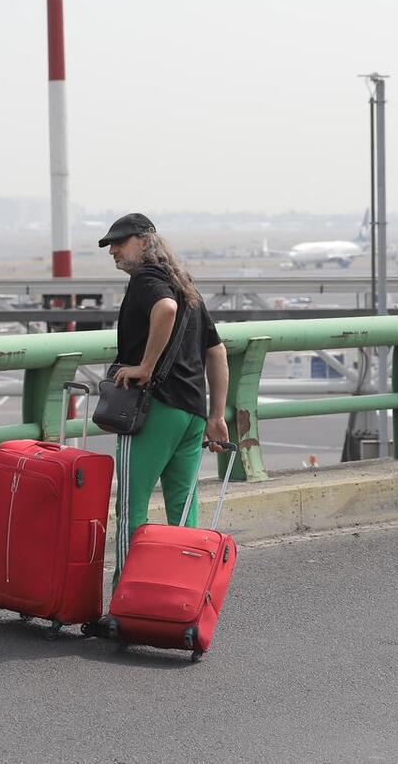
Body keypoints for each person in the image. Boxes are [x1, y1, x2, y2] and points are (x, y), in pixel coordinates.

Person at [98, 212, 230, 581]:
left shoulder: (147, 281)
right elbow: (217, 352)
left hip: (153, 412)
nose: (113, 251)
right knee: (184, 509)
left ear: (144, 241)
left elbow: (165, 309)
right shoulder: (184, 285)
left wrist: (145, 367)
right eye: (110, 245)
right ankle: (181, 592)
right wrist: (217, 416)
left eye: (119, 243)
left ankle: (126, 596)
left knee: (132, 507)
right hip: (192, 415)